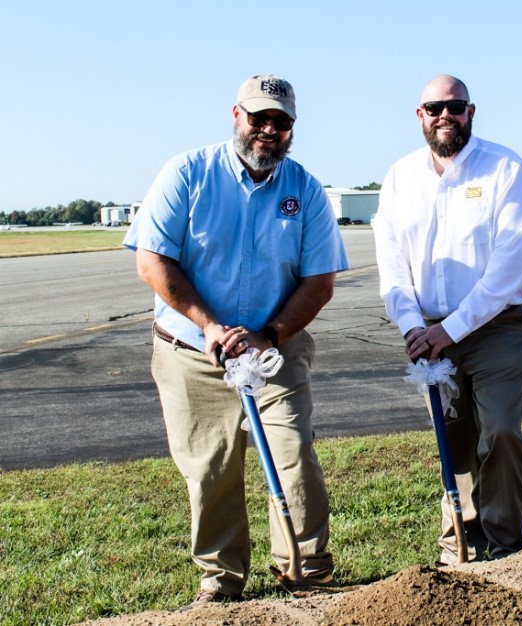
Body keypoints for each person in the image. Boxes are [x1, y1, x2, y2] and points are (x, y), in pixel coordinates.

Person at [123, 74, 349, 609]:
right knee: (211, 469)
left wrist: (270, 334)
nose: (269, 129)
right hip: (192, 351)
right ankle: (220, 583)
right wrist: (209, 324)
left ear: (293, 128)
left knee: (293, 453)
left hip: (274, 349)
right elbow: (151, 260)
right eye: (259, 117)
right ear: (236, 116)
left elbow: (320, 281)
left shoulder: (306, 190)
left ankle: (307, 572)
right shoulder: (186, 173)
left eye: (282, 121)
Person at [372, 74, 522, 565]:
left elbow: (509, 268)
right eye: (434, 108)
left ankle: (507, 546)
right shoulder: (400, 178)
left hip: (497, 326)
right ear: (419, 115)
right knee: (454, 439)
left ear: (471, 112)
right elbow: (393, 265)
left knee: (502, 432)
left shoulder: (506, 170)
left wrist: (449, 330)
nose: (444, 115)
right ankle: (461, 543)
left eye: (455, 106)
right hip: (428, 331)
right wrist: (412, 326)